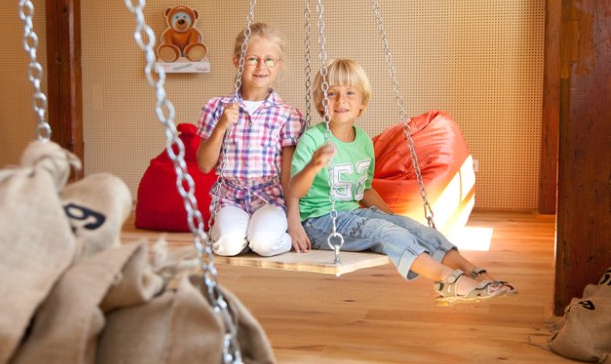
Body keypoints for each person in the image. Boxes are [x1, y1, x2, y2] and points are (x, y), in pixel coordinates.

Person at [289, 59, 515, 303]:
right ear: (321, 102)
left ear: (362, 102)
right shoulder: (313, 140)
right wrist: (313, 166)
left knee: (414, 228)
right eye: (332, 93)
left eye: (349, 93)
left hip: (352, 214)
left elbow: (364, 189)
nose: (341, 100)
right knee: (385, 232)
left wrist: (393, 216)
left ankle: (476, 274)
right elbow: (295, 191)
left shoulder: (363, 141)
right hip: (320, 222)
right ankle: (448, 281)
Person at [197, 22, 305, 257]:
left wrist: (293, 219)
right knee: (227, 246)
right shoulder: (217, 107)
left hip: (270, 200)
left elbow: (288, 173)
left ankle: (266, 236)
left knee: (264, 244)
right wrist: (221, 126)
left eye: (269, 60)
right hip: (230, 199)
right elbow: (204, 165)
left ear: (279, 65)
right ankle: (236, 236)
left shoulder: (288, 114)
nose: (261, 67)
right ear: (237, 61)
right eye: (253, 59)